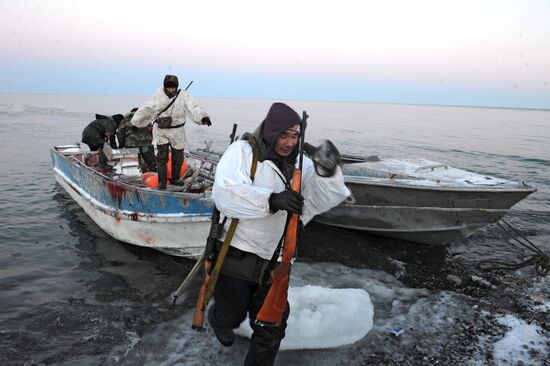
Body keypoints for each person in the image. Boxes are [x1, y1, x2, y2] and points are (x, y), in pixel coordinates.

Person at [207, 102, 350, 365]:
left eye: (294, 136)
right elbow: (225, 193)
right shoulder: (243, 152)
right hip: (238, 254)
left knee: (271, 327)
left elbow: (318, 199)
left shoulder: (300, 162)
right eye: (284, 135)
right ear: (272, 131)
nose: (288, 142)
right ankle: (220, 320)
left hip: (277, 260)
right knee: (231, 313)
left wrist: (327, 173)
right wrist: (271, 200)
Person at [130, 74, 212, 189]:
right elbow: (146, 109)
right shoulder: (158, 96)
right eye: (168, 87)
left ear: (177, 87)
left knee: (178, 157)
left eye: (173, 87)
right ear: (164, 87)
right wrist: (136, 123)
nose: (171, 90)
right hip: (161, 131)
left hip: (177, 131)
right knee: (162, 157)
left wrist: (203, 117)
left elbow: (193, 106)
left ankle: (174, 178)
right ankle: (162, 182)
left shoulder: (183, 96)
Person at [116, 107, 157, 172]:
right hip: (146, 144)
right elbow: (152, 130)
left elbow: (120, 133)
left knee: (133, 163)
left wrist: (121, 144)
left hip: (131, 144)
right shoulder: (145, 119)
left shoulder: (126, 120)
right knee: (151, 162)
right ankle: (153, 175)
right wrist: (150, 142)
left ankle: (136, 174)